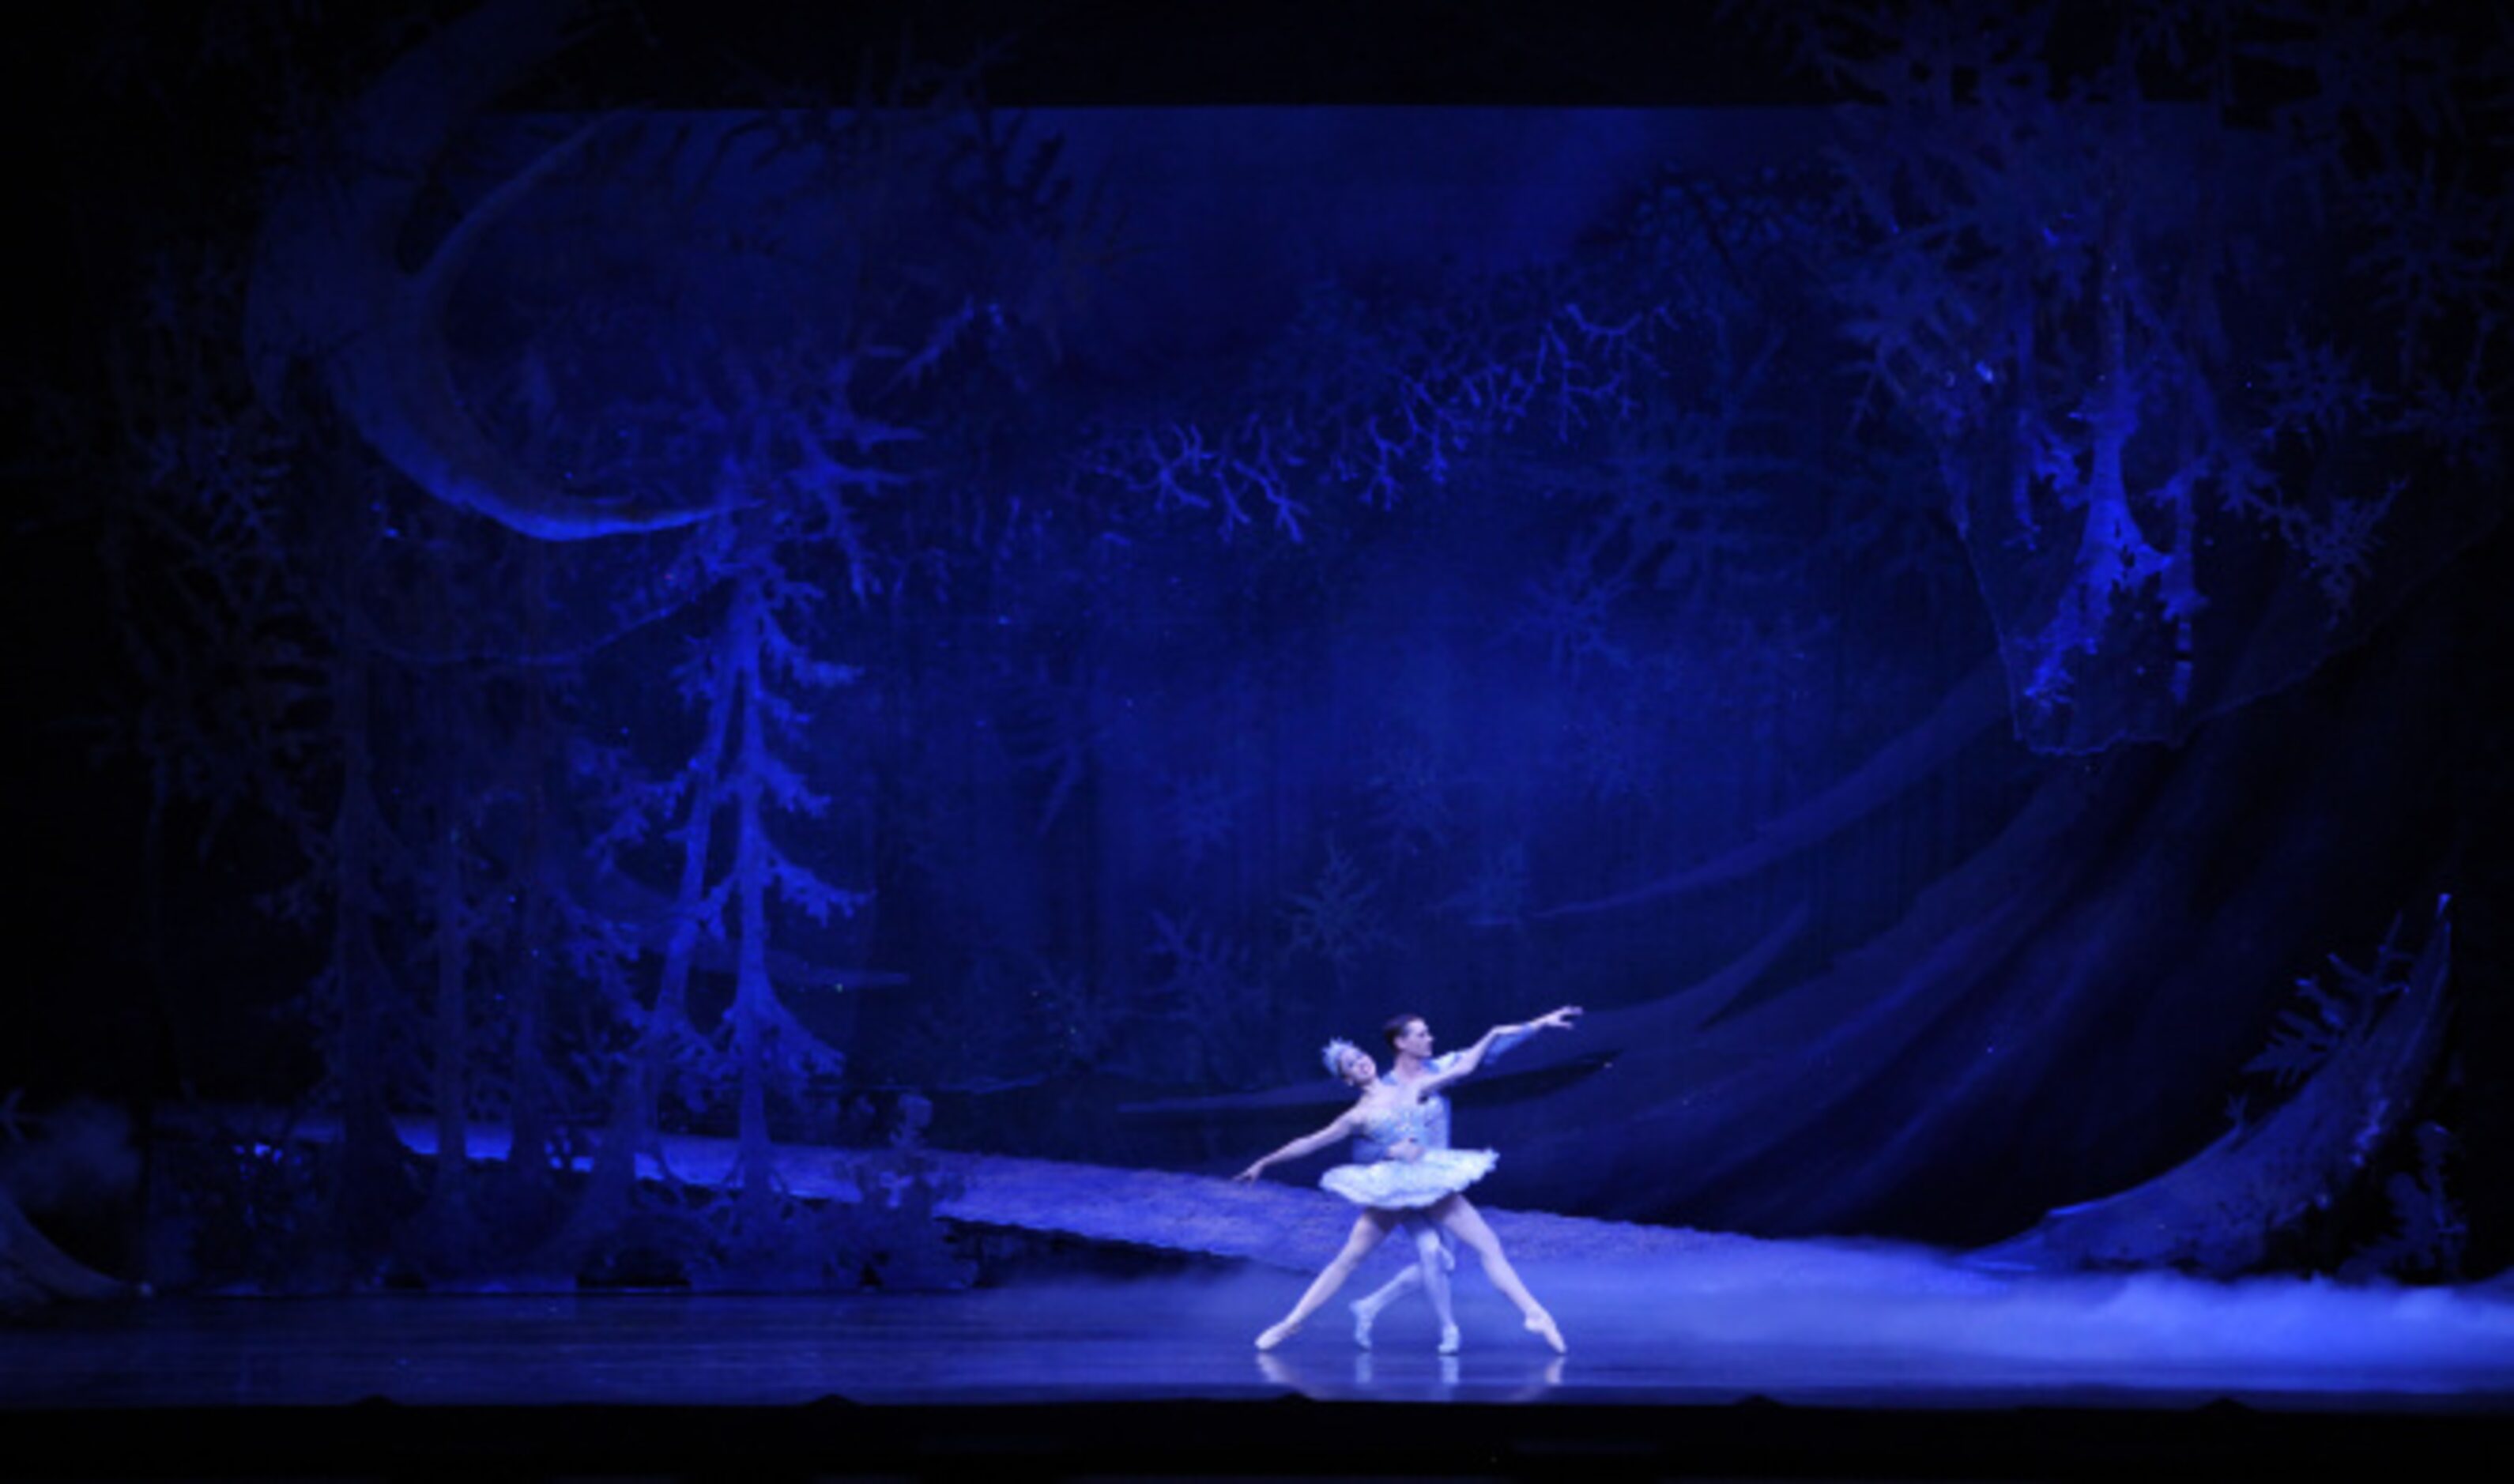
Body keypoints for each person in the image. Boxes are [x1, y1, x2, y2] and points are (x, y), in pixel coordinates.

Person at [1234, 1023, 1570, 1354]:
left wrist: (1495, 1032)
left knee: (1488, 1246)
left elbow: (1464, 1067)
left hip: (1428, 1180)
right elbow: (1309, 1142)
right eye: (1351, 1064)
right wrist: (1265, 1162)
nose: (1360, 1062)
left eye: (1360, 1055)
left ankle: (1536, 1314)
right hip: (1392, 1189)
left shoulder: (1410, 1086)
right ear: (1348, 1079)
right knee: (1347, 1260)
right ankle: (1292, 1322)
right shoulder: (1357, 1116)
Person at [1346, 1007, 1580, 1351]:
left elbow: (1484, 1054)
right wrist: (1390, 1154)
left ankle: (1370, 1306)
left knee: (1446, 1262)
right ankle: (1450, 1331)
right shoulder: (1387, 1091)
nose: (1430, 1038)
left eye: (1429, 1032)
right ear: (1401, 1043)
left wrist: (1537, 1025)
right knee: (1432, 1253)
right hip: (1405, 1189)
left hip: (1439, 1184)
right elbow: (1364, 1146)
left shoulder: (1437, 1069)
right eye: (1422, 1034)